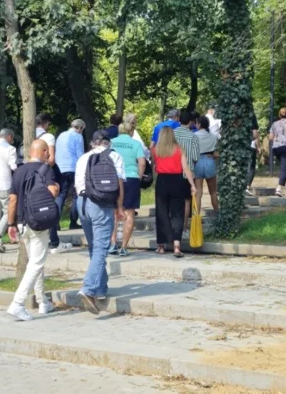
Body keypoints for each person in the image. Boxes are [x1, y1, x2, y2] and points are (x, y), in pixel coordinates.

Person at [6, 140, 60, 321]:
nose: (49, 155)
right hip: (38, 223)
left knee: (35, 263)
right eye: (48, 152)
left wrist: (11, 224)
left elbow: (13, 200)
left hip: (22, 224)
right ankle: (18, 303)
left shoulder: (19, 171)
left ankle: (43, 301)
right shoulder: (46, 170)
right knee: (36, 264)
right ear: (43, 152)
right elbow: (52, 192)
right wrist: (56, 188)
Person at [75, 130, 127, 314]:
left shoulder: (83, 158)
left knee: (94, 247)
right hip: (101, 205)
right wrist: (119, 208)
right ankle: (89, 289)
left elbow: (78, 183)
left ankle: (101, 288)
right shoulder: (114, 156)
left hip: (82, 203)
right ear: (108, 143)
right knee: (101, 248)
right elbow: (119, 184)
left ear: (93, 143)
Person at [152, 127, 196, 257]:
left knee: (161, 213)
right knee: (177, 213)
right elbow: (186, 168)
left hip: (162, 181)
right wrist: (192, 184)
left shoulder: (156, 150)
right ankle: (177, 246)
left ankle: (161, 246)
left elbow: (155, 167)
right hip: (177, 181)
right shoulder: (179, 149)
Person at [36, 113, 72, 253]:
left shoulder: (29, 134)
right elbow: (51, 159)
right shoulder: (48, 137)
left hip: (32, 173)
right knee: (51, 205)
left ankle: (40, 242)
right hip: (46, 174)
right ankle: (54, 242)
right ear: (46, 123)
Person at [109, 120, 146, 256]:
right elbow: (142, 163)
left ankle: (113, 244)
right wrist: (139, 177)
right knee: (129, 214)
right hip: (131, 178)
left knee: (113, 213)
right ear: (131, 131)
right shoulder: (136, 144)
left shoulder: (111, 142)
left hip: (114, 178)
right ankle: (124, 247)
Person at [55, 119, 86, 230]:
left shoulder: (61, 135)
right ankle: (73, 222)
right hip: (74, 168)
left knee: (61, 196)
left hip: (60, 169)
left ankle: (55, 223)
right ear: (80, 128)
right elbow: (80, 155)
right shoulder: (78, 137)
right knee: (76, 195)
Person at [174, 111, 200, 238]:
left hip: (172, 172)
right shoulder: (193, 137)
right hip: (187, 173)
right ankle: (184, 229)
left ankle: (173, 227)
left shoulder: (172, 134)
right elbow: (195, 157)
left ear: (179, 120)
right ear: (190, 122)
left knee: (173, 201)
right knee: (186, 201)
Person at [194, 116, 218, 212]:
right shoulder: (213, 136)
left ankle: (197, 216)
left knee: (198, 193)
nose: (195, 124)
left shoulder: (194, 136)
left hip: (198, 162)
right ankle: (217, 213)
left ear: (199, 124)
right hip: (210, 161)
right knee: (213, 192)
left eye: (196, 123)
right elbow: (217, 153)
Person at [245, 113, 261, 196]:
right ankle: (247, 186)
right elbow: (255, 134)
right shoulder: (251, 115)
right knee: (251, 167)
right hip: (250, 145)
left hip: (238, 145)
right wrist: (258, 146)